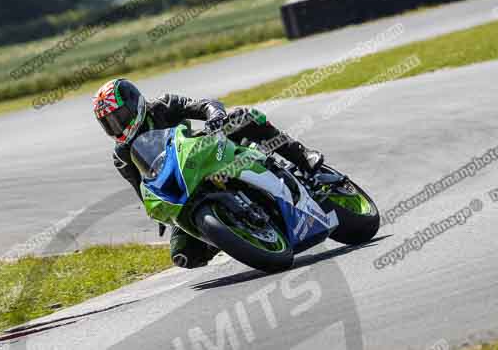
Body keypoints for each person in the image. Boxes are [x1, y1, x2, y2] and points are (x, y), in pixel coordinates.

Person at [92, 78, 324, 268]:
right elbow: (141, 188)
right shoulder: (121, 156)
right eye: (108, 123)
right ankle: (229, 231)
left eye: (118, 117)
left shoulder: (163, 105)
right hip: (177, 184)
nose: (116, 126)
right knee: (183, 255)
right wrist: (158, 212)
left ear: (134, 104)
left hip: (204, 151)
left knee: (244, 117)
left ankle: (301, 156)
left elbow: (205, 105)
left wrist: (215, 116)